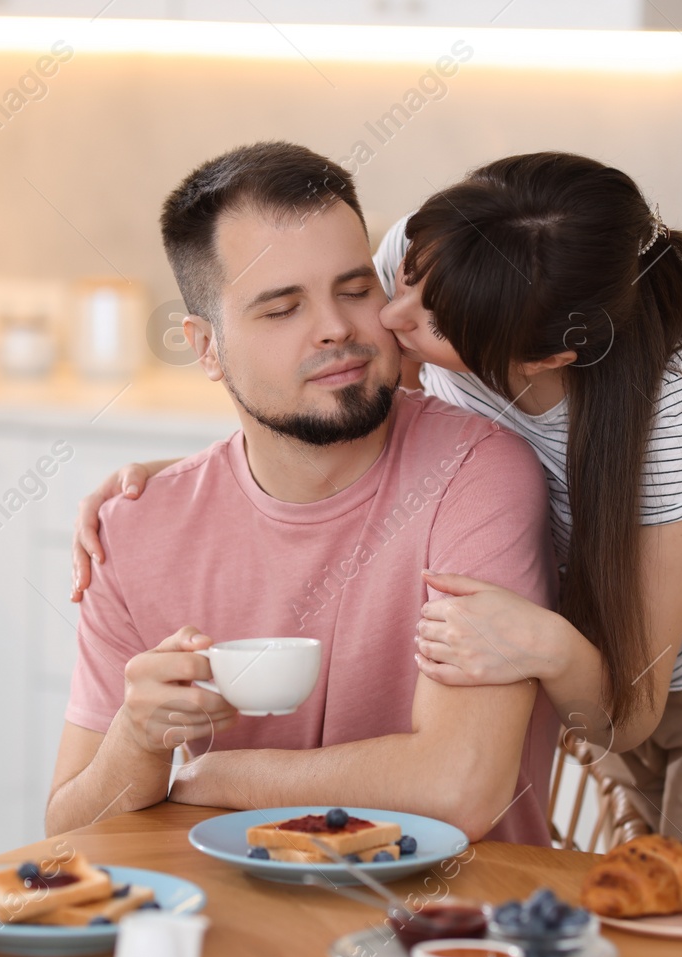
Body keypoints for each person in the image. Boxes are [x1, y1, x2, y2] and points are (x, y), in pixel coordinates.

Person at [72, 152, 682, 877]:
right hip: (594, 631)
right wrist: (184, 484)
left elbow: (629, 710)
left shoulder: (670, 420)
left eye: (434, 323)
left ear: (545, 356)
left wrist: (550, 646)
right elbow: (309, 397)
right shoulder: (427, 266)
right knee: (644, 920)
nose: (384, 317)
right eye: (398, 278)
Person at [46, 142, 560, 846]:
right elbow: (65, 835)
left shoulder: (479, 473)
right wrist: (136, 742)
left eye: (355, 289)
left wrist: (208, 779)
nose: (338, 328)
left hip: (454, 931)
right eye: (282, 307)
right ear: (206, 348)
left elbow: (458, 787)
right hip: (230, 931)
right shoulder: (135, 530)